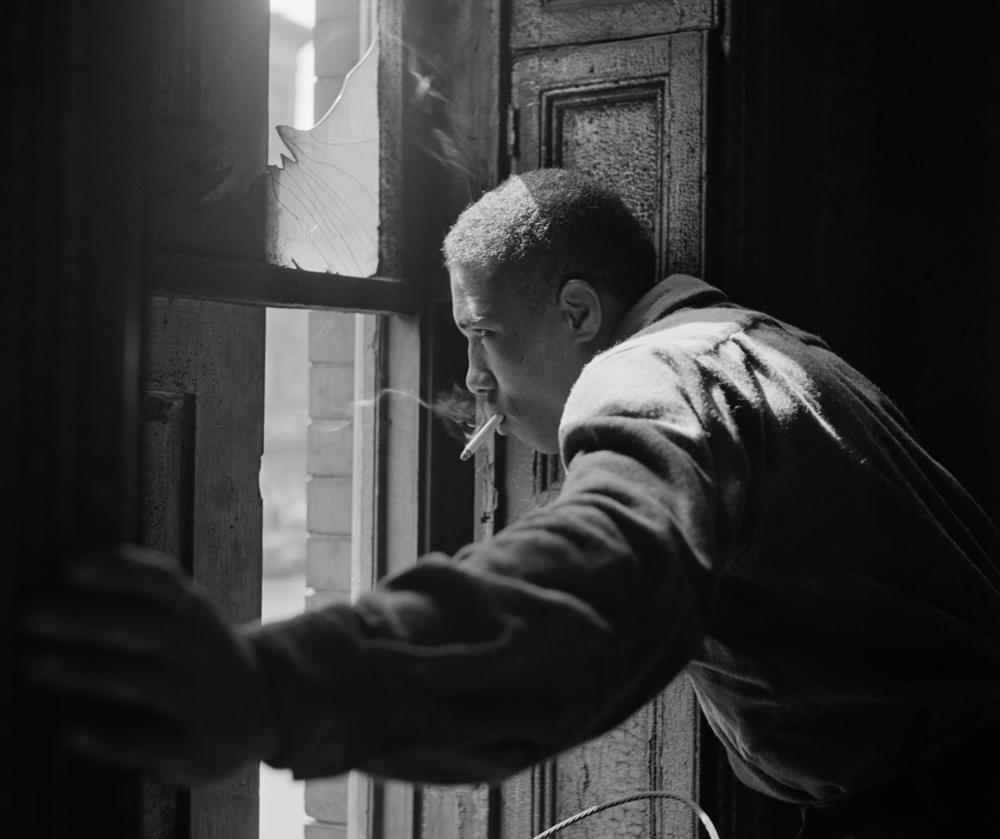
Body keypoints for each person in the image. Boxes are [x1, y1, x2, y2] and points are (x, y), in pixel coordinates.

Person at [23, 169, 1000, 837]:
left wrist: (271, 686)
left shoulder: (653, 372)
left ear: (576, 311)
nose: (475, 381)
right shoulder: (762, 349)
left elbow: (596, 578)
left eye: (482, 334)